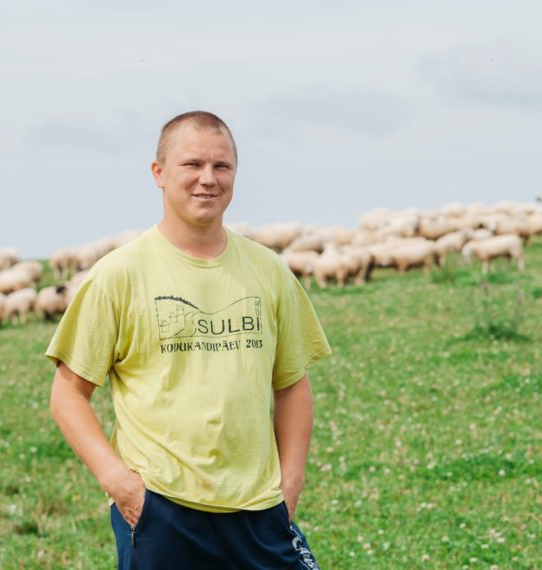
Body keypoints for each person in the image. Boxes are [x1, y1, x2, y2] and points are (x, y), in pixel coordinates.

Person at [47, 111, 331, 569]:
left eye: (222, 166)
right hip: (162, 510)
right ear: (158, 174)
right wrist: (122, 486)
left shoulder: (268, 270)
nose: (208, 179)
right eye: (192, 165)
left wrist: (289, 485)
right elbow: (67, 393)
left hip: (259, 508)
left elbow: (292, 384)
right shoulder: (118, 275)